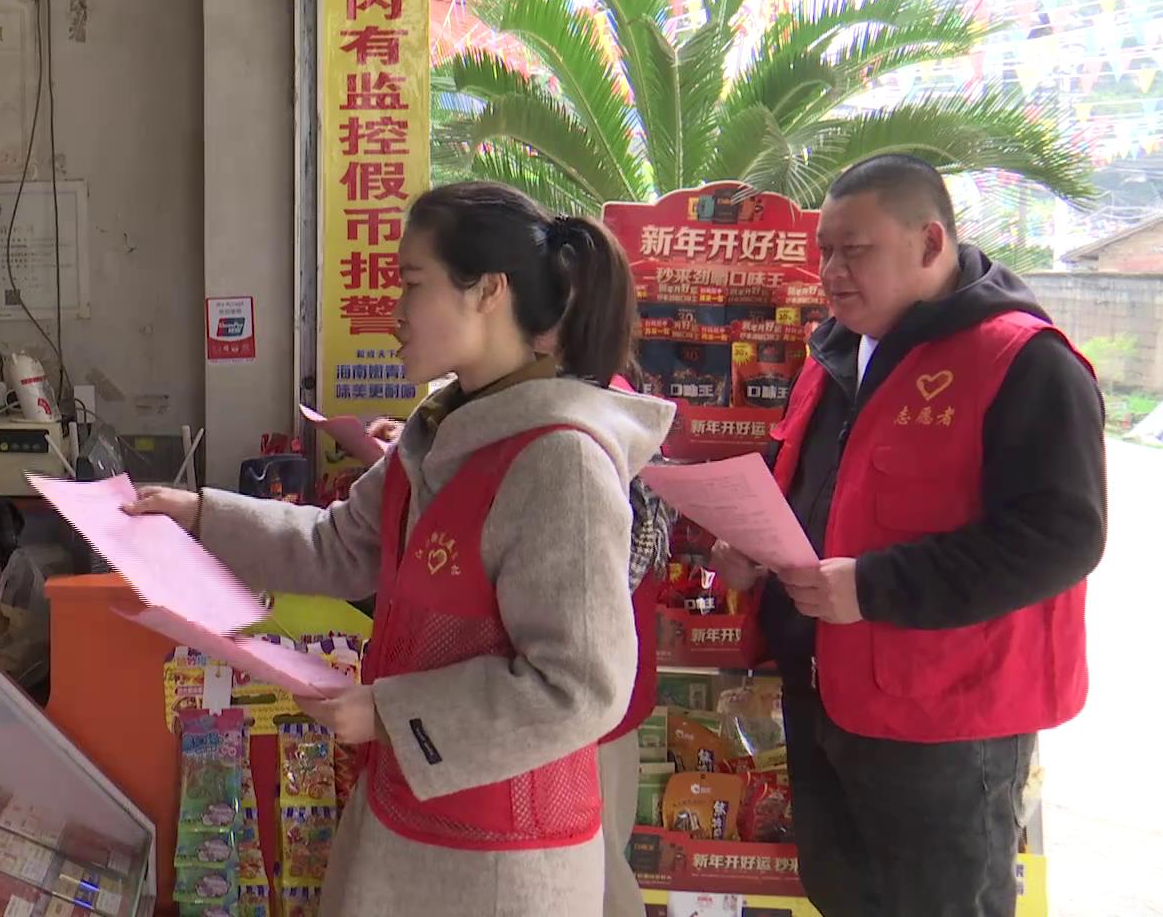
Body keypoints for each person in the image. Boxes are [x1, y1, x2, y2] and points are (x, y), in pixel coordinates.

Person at [129, 181, 674, 916]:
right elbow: (336, 544)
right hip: (406, 817)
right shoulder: (442, 430)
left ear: (488, 291)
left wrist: (389, 714)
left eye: (413, 283)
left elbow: (580, 688)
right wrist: (199, 515)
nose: (395, 313)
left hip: (500, 866)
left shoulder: (560, 462)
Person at [709, 154, 1105, 916]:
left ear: (929, 243)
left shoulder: (1022, 360)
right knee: (843, 894)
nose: (831, 272)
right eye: (824, 250)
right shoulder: (836, 351)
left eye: (854, 250)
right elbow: (813, 480)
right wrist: (755, 541)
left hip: (945, 719)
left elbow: (1061, 536)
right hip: (824, 693)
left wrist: (872, 587)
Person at [367, 378, 673, 917]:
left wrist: (388, 714)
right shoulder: (465, 415)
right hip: (475, 758)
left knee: (606, 882)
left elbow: (580, 672)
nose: (396, 329)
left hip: (562, 753)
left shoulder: (572, 445)